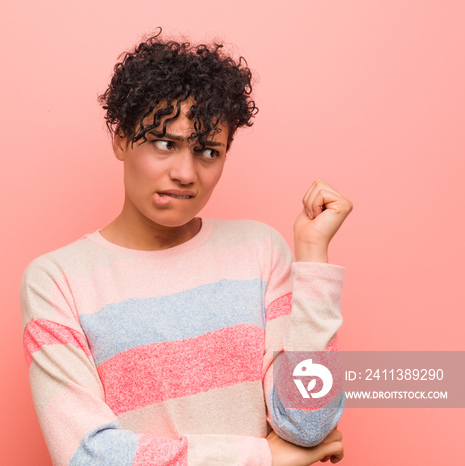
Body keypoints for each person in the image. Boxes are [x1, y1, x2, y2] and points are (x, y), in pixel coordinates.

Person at [20, 30, 352, 465]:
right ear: (120, 139)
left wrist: (312, 258)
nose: (185, 172)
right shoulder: (56, 281)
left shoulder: (261, 251)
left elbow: (308, 423)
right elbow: (89, 456)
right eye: (164, 143)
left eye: (208, 151)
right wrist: (262, 459)